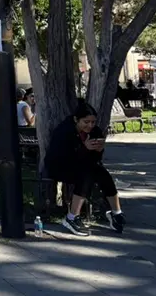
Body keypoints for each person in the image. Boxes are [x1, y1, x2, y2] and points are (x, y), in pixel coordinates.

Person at [46, 100, 126, 236]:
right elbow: (64, 157)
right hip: (59, 166)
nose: (90, 125)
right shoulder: (65, 131)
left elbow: (95, 160)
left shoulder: (95, 131)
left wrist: (98, 150)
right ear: (76, 120)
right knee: (86, 173)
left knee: (102, 173)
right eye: (86, 122)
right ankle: (72, 218)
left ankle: (116, 213)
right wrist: (84, 148)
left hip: (82, 164)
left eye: (93, 122)